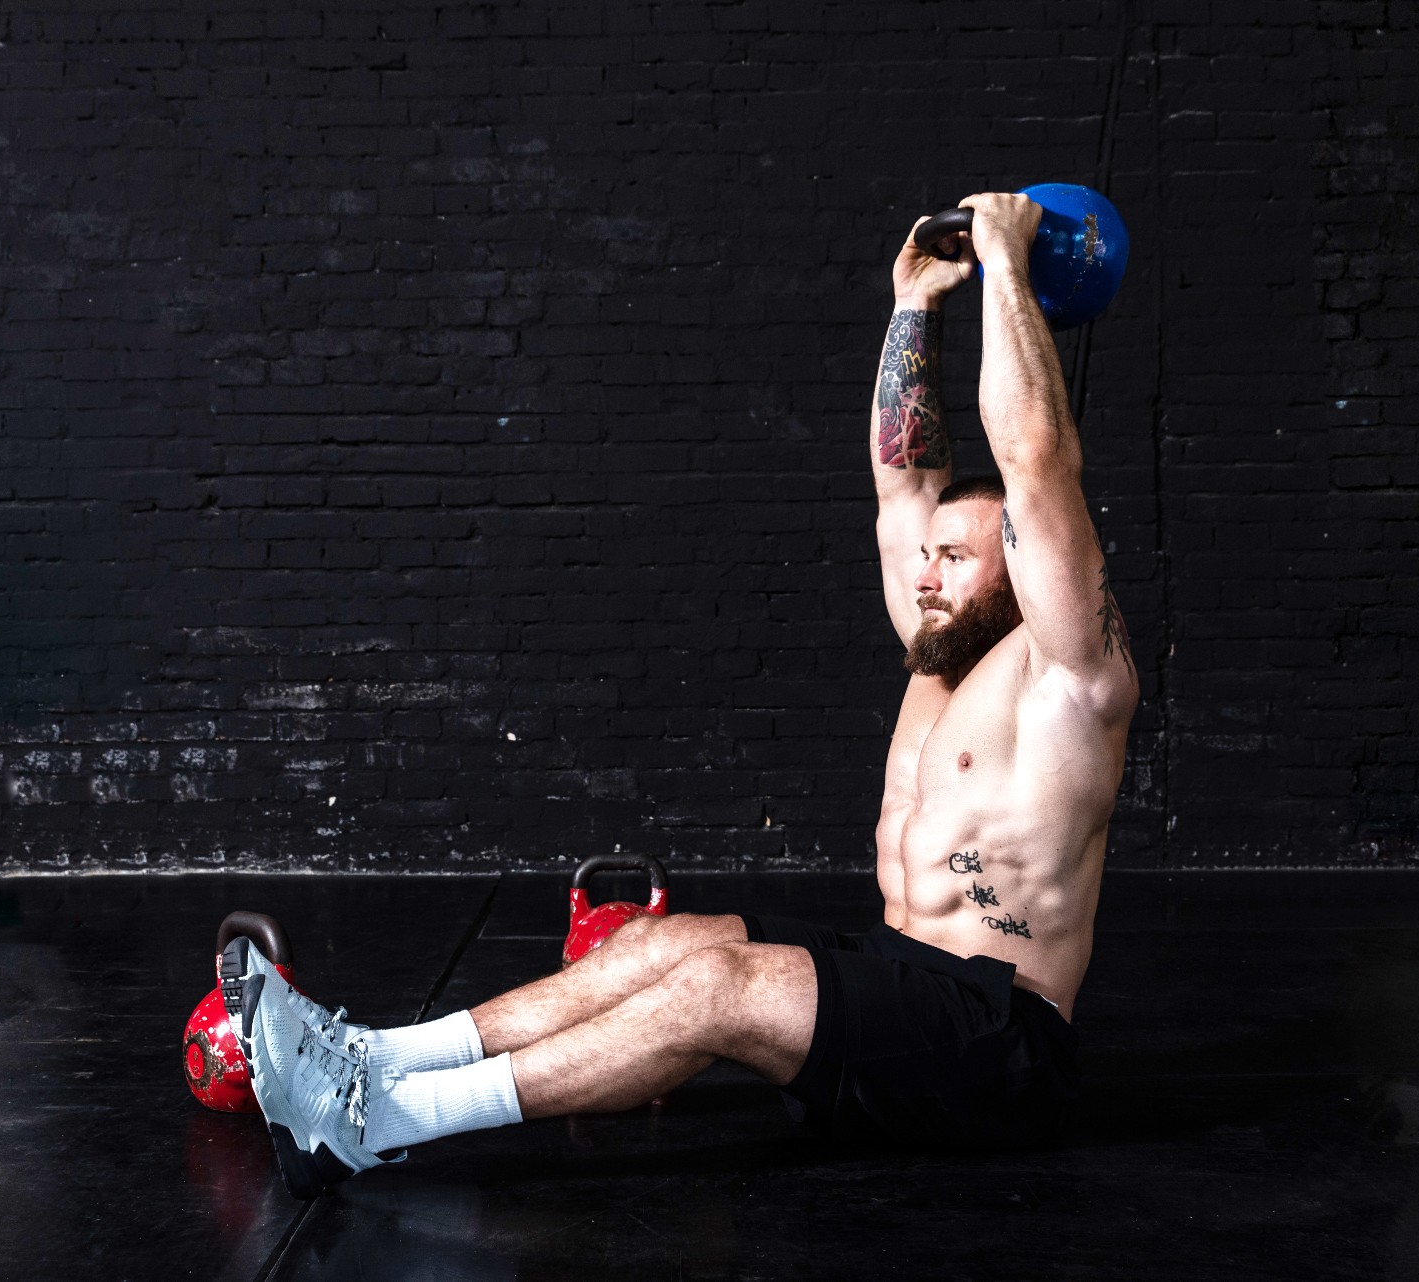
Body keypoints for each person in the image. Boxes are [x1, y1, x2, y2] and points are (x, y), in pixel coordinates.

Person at [219, 192, 1142, 1198]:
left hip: (996, 1048)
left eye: (957, 558)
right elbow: (903, 484)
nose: (926, 573)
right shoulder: (938, 654)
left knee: (718, 987)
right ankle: (377, 1057)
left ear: (1020, 568)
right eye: (930, 557)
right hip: (904, 981)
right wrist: (914, 302)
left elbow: (1038, 460)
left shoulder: (1073, 676)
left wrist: (1007, 261)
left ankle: (377, 1119)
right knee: (666, 945)